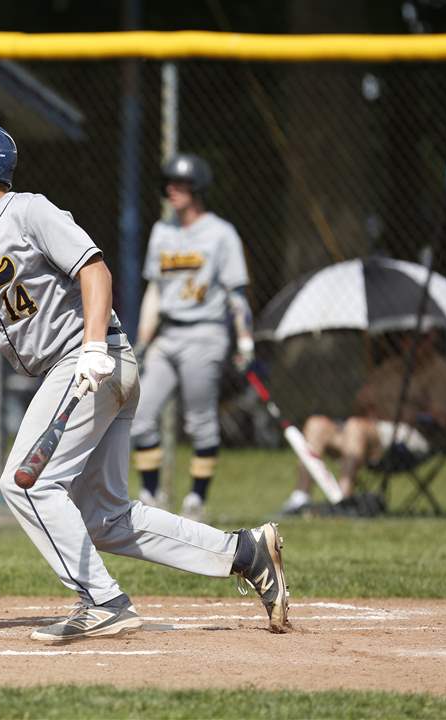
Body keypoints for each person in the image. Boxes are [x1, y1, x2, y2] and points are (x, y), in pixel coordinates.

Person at [0, 117, 289, 641]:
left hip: (89, 360)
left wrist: (93, 346)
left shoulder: (28, 211)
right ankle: (245, 552)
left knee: (26, 482)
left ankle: (103, 602)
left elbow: (94, 269)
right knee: (104, 519)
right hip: (75, 371)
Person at [129, 154, 255, 521]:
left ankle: (196, 500)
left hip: (206, 333)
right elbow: (155, 289)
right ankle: (150, 496)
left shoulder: (220, 234)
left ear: (197, 189)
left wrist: (245, 339)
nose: (171, 190)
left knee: (200, 422)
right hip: (167, 335)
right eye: (168, 183)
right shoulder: (162, 231)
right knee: (141, 416)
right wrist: (143, 338)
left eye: (179, 184)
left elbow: (236, 294)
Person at [280, 332, 446, 513]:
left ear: (433, 339)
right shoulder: (389, 368)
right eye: (405, 338)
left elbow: (439, 419)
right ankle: (300, 497)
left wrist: (401, 415)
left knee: (356, 427)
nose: (410, 343)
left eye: (419, 338)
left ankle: (343, 501)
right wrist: (363, 402)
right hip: (367, 434)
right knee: (316, 424)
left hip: (410, 437)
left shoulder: (443, 371)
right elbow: (359, 408)